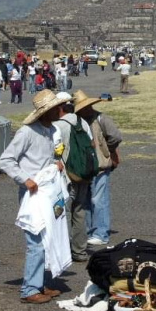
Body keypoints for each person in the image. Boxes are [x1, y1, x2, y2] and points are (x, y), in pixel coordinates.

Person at [0, 90, 68, 304]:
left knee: (50, 237)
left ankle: (41, 282)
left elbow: (51, 155)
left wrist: (57, 164)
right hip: (33, 192)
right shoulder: (27, 132)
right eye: (57, 108)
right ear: (47, 111)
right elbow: (6, 160)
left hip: (49, 191)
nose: (61, 110)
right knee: (36, 240)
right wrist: (24, 179)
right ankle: (29, 289)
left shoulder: (52, 130)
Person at [73, 90, 122, 246]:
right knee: (86, 200)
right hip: (86, 167)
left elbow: (116, 136)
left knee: (98, 200)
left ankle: (101, 233)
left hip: (100, 166)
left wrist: (106, 150)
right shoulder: (79, 120)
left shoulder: (101, 119)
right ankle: (90, 231)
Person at [52, 93, 94, 262]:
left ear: (59, 107)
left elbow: (54, 150)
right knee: (79, 211)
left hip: (65, 176)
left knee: (58, 213)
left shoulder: (58, 125)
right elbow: (91, 143)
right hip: (83, 173)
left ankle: (58, 252)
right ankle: (79, 251)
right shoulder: (82, 122)